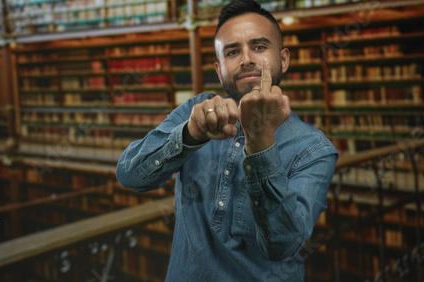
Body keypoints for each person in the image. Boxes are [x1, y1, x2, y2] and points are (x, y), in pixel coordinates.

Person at [116, 0, 338, 280]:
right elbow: (129, 175)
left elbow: (281, 245)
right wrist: (191, 134)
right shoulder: (194, 110)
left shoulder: (315, 149)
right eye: (233, 51)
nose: (246, 59)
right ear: (220, 70)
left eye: (259, 47)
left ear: (283, 59)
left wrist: (261, 145)